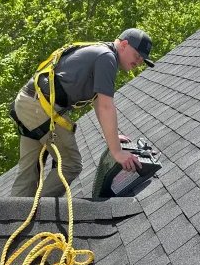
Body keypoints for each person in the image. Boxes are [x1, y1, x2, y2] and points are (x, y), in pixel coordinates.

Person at [10, 28, 155, 197]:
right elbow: (105, 106)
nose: (138, 62)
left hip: (28, 103)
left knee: (28, 171)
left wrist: (113, 138)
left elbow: (98, 101)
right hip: (39, 108)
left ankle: (16, 217)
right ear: (123, 45)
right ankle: (38, 213)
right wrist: (117, 151)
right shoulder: (107, 58)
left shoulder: (100, 51)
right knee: (71, 164)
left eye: (142, 60)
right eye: (137, 56)